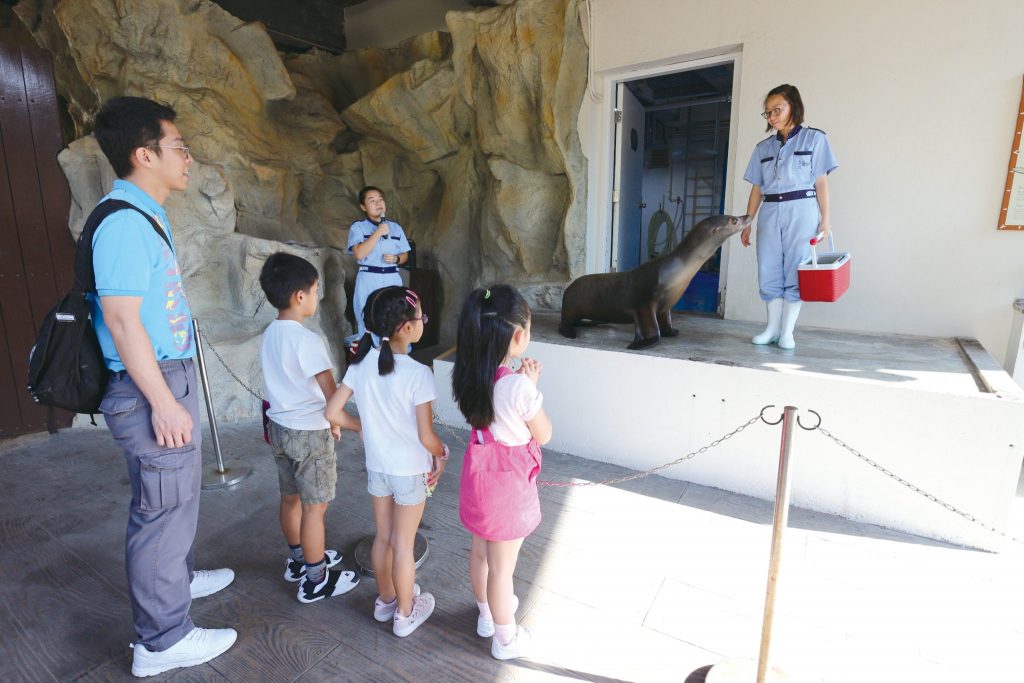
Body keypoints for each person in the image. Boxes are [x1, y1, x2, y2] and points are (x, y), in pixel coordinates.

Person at [90, 96, 236, 677]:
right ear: (143, 153)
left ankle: (173, 577)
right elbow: (123, 324)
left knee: (171, 499)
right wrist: (163, 401)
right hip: (149, 383)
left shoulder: (143, 211)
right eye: (178, 147)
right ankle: (162, 641)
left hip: (165, 374)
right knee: (160, 509)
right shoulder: (123, 223)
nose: (188, 157)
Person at [325, 286, 447, 637]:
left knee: (383, 538)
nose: (423, 321)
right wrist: (441, 453)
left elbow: (332, 411)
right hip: (409, 473)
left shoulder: (361, 364)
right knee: (403, 546)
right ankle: (406, 615)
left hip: (377, 469)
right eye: (421, 317)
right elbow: (426, 437)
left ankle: (386, 601)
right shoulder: (419, 374)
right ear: (406, 328)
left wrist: (358, 424)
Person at [451, 285, 553, 660]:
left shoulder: (470, 377)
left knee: (481, 554)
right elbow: (543, 433)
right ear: (518, 336)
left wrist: (523, 384)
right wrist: (530, 387)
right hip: (506, 489)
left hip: (479, 480)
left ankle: (485, 615)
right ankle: (506, 639)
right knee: (502, 570)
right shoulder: (517, 388)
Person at [258, 251, 361, 604]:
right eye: (316, 290)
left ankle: (300, 561)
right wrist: (356, 425)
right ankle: (316, 579)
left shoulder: (270, 333)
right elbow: (334, 402)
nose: (317, 297)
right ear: (299, 296)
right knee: (315, 508)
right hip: (308, 436)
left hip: (280, 429)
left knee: (290, 499)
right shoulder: (308, 341)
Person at [740, 84, 838, 350]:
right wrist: (747, 222)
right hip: (771, 210)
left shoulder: (815, 140)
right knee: (768, 267)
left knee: (796, 268)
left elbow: (821, 183)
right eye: (768, 113)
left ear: (793, 106)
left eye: (777, 110)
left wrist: (825, 220)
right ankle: (771, 328)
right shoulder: (762, 149)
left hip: (801, 209)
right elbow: (757, 188)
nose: (772, 117)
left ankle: (787, 332)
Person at [345, 186, 411, 345]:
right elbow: (359, 254)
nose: (378, 203)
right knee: (368, 318)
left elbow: (405, 255)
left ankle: (396, 358)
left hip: (392, 278)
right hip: (369, 278)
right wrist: (378, 232)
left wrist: (396, 259)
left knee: (396, 317)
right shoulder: (358, 227)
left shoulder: (396, 227)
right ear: (363, 207)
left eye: (380, 199)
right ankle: (370, 357)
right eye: (372, 200)